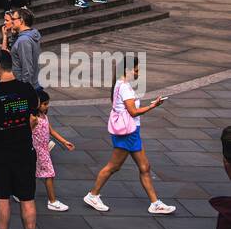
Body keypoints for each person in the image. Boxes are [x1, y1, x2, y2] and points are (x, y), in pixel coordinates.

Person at [84, 57, 175, 215]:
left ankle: (155, 203)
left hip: (131, 132)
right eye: (136, 69)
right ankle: (92, 195)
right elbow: (133, 112)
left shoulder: (119, 85)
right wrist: (153, 106)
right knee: (113, 166)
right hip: (128, 133)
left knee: (144, 167)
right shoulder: (125, 87)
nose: (138, 71)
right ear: (127, 70)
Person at [0, 50, 40, 229]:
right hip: (24, 151)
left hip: (2, 152)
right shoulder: (27, 89)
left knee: (2, 198)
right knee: (27, 198)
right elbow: (35, 110)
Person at [33, 90, 74, 210]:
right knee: (49, 174)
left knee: (33, 173)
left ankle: (19, 193)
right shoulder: (34, 119)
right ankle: (52, 201)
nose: (47, 106)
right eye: (44, 104)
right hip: (39, 151)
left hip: (43, 150)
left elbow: (51, 131)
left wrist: (64, 141)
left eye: (47, 103)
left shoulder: (44, 116)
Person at [3, 6, 41, 91]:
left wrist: (25, 90)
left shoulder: (23, 41)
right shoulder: (30, 35)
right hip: (30, 84)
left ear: (21, 20)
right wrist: (13, 35)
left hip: (25, 87)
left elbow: (27, 68)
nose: (11, 21)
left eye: (13, 19)